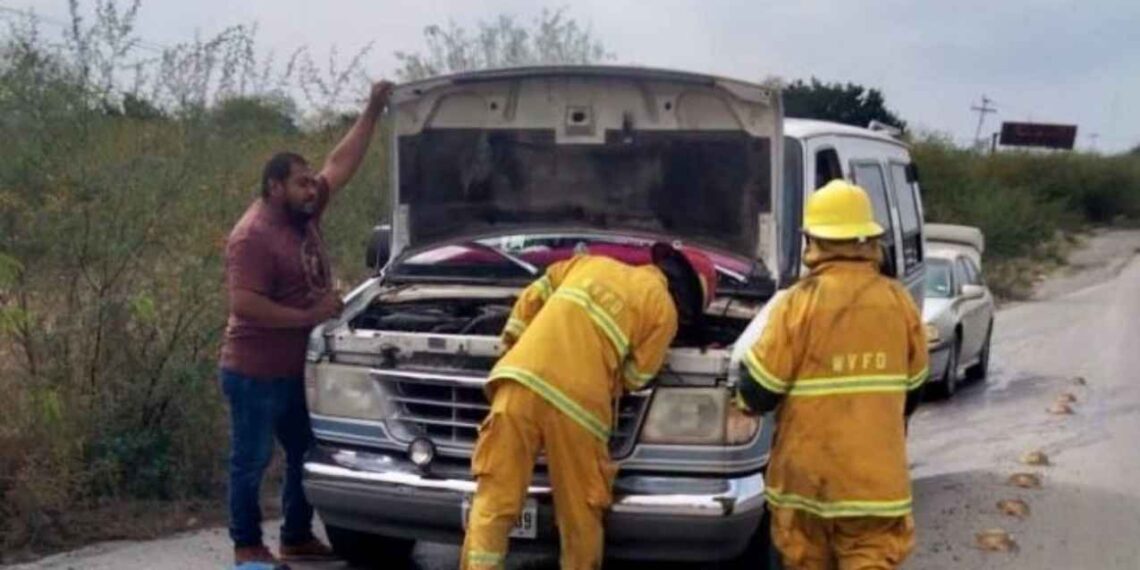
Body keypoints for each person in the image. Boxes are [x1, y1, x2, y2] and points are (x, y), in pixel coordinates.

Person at [219, 80, 394, 567]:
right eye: (301, 182)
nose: (312, 188)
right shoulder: (252, 237)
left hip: (297, 370)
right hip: (254, 373)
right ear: (274, 187)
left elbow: (340, 163)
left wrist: (372, 111)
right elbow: (245, 304)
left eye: (310, 182)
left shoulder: (304, 213)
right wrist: (308, 317)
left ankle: (296, 536)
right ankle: (247, 547)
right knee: (251, 462)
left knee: (305, 454)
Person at [461, 243, 719, 570]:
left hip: (517, 382)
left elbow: (533, 296)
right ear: (690, 299)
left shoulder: (587, 264)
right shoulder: (663, 310)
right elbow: (636, 377)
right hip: (578, 407)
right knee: (580, 513)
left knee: (493, 501)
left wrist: (516, 343)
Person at [734, 180, 928, 570]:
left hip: (807, 488)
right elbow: (915, 390)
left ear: (813, 241)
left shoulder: (797, 304)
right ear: (869, 240)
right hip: (876, 487)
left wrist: (740, 389)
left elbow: (760, 390)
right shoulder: (899, 303)